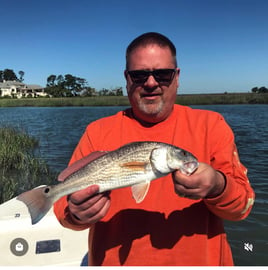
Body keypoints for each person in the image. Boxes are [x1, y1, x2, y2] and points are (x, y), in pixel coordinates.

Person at [54, 32, 255, 266]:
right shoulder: (97, 132)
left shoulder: (212, 125)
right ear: (127, 78)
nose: (151, 83)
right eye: (139, 75)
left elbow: (241, 208)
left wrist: (217, 185)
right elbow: (63, 212)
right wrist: (77, 213)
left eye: (163, 74)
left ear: (177, 76)